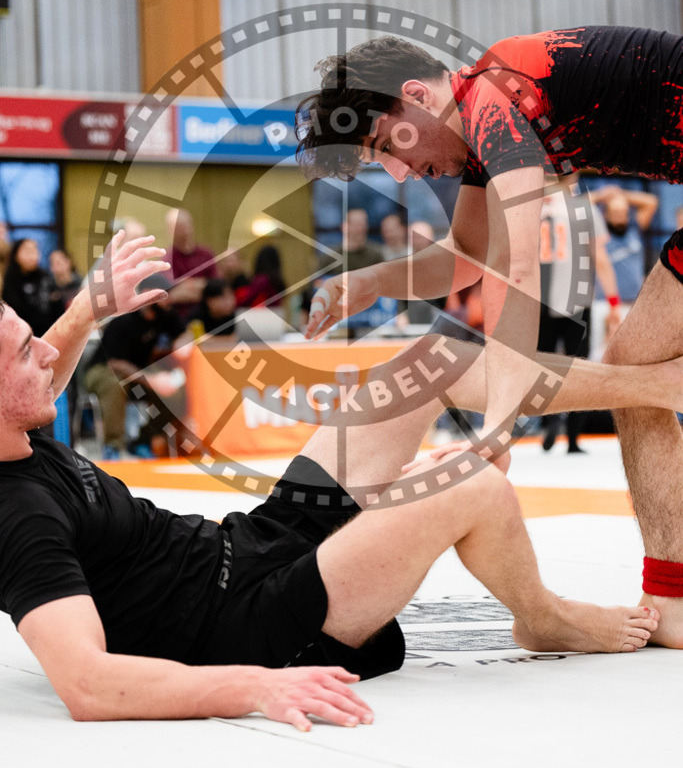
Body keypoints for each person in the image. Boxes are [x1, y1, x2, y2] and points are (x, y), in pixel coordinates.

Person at [6, 235, 683, 725]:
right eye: (23, 348)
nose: (47, 351)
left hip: (253, 546)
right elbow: (87, 685)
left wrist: (87, 311)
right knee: (471, 485)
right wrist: (250, 691)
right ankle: (543, 616)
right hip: (258, 627)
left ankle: (650, 385)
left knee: (429, 362)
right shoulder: (17, 516)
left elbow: (37, 374)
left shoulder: (18, 436)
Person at [296, 27, 683, 647]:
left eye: (384, 147)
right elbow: (468, 257)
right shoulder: (481, 118)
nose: (397, 175)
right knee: (639, 373)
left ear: (417, 95)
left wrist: (497, 433)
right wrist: (373, 280)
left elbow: (519, 269)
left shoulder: (495, 98)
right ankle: (672, 595)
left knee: (640, 373)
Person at [538, 178, 620, 453]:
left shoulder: (534, 209)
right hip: (577, 297)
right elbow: (600, 258)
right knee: (578, 369)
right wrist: (613, 301)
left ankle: (548, 420)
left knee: (542, 366)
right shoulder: (584, 209)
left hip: (537, 299)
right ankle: (573, 437)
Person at [83, 272, 187, 459]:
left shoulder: (167, 316)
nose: (169, 299)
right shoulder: (123, 322)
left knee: (175, 391)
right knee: (115, 384)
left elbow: (184, 334)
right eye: (164, 294)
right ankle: (112, 446)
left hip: (139, 371)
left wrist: (181, 343)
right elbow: (115, 363)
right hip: (103, 370)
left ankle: (142, 440)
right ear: (147, 294)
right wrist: (153, 380)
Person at [588, 184, 659, 359]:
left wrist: (621, 195)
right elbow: (578, 205)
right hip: (603, 303)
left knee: (631, 356)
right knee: (598, 354)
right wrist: (603, 195)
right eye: (616, 213)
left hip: (632, 304)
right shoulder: (598, 231)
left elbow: (651, 201)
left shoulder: (634, 228)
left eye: (624, 213)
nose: (621, 217)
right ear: (605, 213)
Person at [2, 238, 64, 337]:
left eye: (35, 250)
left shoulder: (45, 277)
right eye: (27, 251)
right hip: (20, 336)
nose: (33, 255)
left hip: (49, 334)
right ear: (16, 254)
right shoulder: (10, 279)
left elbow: (58, 306)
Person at [166, 208, 218, 320]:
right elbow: (170, 294)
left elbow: (216, 287)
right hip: (178, 318)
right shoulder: (167, 258)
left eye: (186, 225)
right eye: (179, 227)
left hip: (208, 316)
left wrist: (185, 286)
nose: (184, 231)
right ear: (170, 230)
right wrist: (202, 286)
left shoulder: (206, 254)